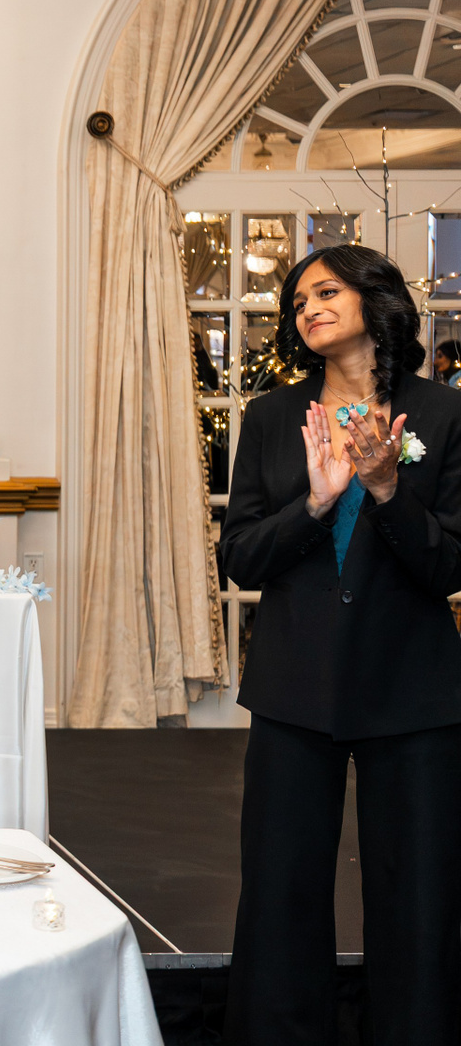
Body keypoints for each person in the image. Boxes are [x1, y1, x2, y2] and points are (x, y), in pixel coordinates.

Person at [221, 244, 461, 1043]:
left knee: (418, 895)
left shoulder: (444, 415)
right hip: (294, 686)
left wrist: (389, 489)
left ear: (375, 298)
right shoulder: (269, 418)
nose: (308, 309)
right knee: (280, 892)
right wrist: (315, 506)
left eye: (326, 292)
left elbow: (450, 566)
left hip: (414, 690)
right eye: (297, 302)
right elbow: (241, 556)